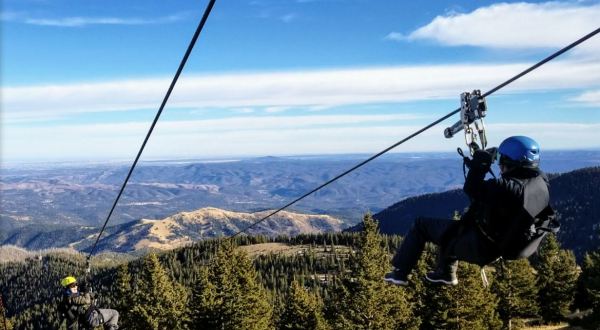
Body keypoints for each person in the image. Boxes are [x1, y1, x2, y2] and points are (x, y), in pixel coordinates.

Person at [384, 136, 557, 286]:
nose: (500, 166)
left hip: (480, 246)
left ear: (509, 162)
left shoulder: (504, 187)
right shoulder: (541, 182)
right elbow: (502, 196)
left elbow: (472, 188)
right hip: (502, 243)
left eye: (502, 161)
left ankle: (400, 273)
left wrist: (480, 163)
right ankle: (445, 273)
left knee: (422, 225)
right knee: (454, 228)